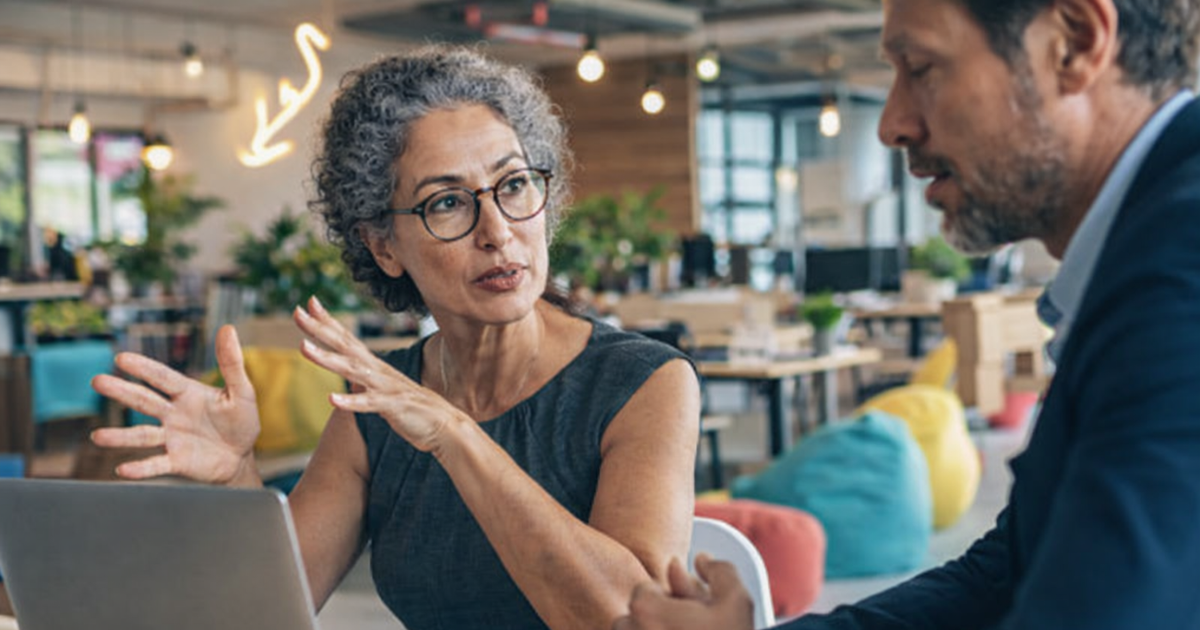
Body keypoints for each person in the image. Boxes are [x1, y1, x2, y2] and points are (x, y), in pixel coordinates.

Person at [615, 0, 1200, 628]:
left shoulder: (1178, 271)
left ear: (1075, 43)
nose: (892, 124)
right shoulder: (1145, 248)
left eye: (920, 68)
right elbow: (1008, 571)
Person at [90, 46, 701, 630]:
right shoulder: (375, 409)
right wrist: (238, 479)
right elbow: (262, 614)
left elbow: (631, 619)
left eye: (513, 185)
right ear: (383, 246)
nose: (496, 231)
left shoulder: (644, 383)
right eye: (447, 203)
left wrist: (455, 434)